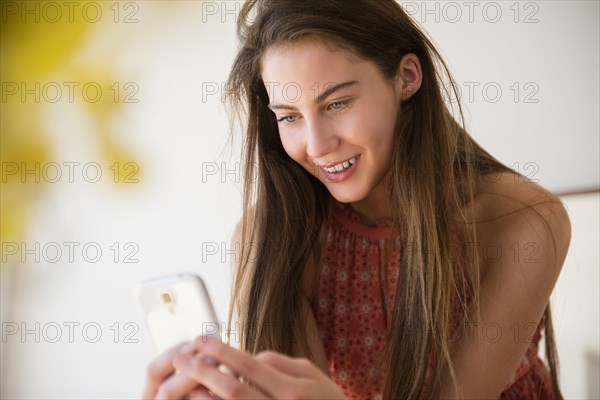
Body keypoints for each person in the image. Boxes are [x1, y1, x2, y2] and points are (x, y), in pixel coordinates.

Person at [143, 0, 571, 398]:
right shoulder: (270, 234)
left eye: (337, 103)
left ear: (406, 78)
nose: (316, 145)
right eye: (290, 117)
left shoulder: (522, 219)